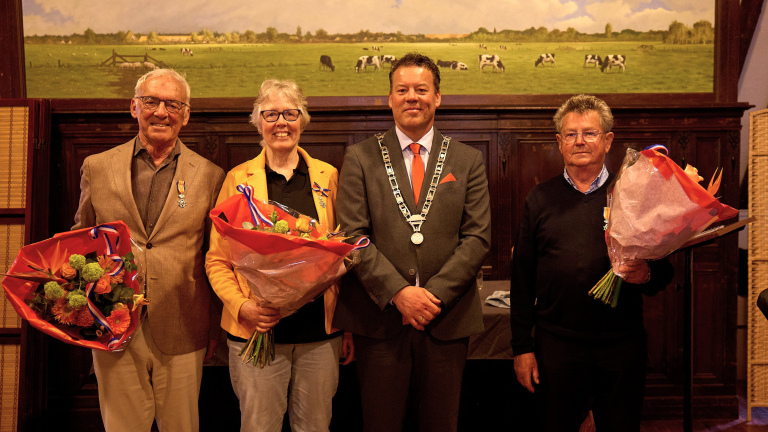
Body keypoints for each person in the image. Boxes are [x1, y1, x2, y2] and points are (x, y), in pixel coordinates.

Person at [334, 52, 492, 432]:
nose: (412, 97)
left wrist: (431, 296)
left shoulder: (468, 159)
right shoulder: (359, 157)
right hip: (380, 319)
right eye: (402, 90)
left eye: (421, 89)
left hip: (446, 320)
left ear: (438, 97)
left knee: (441, 424)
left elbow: (477, 237)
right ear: (389, 98)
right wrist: (399, 293)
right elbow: (354, 236)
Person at [72, 68, 225, 432]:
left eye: (173, 104)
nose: (161, 112)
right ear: (134, 107)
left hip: (184, 325)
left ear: (185, 115)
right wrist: (86, 314)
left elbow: (217, 256)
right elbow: (81, 242)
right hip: (112, 324)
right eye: (151, 101)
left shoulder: (210, 175)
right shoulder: (98, 167)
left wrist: (214, 325)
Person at [510, 94, 674, 431]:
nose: (580, 141)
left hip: (621, 346)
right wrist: (522, 348)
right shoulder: (539, 199)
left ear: (608, 140)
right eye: (570, 134)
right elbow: (522, 277)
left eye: (590, 132)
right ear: (559, 143)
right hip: (557, 345)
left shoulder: (632, 193)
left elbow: (665, 272)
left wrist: (646, 274)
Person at [205, 79, 354, 432]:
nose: (281, 123)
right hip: (256, 329)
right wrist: (244, 307)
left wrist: (347, 326)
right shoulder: (237, 179)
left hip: (319, 335)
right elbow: (217, 260)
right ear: (258, 122)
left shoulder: (328, 177)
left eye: (290, 113)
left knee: (316, 427)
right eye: (271, 114)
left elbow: (342, 253)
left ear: (303, 119)